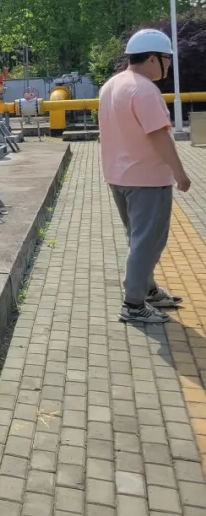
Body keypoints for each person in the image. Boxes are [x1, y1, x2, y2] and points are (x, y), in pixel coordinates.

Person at [98, 27, 190, 325]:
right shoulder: (144, 90)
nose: (169, 65)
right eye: (167, 59)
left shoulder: (112, 85)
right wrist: (180, 173)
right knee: (148, 242)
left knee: (138, 239)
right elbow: (158, 136)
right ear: (153, 58)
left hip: (119, 176)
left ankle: (147, 290)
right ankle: (134, 304)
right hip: (147, 179)